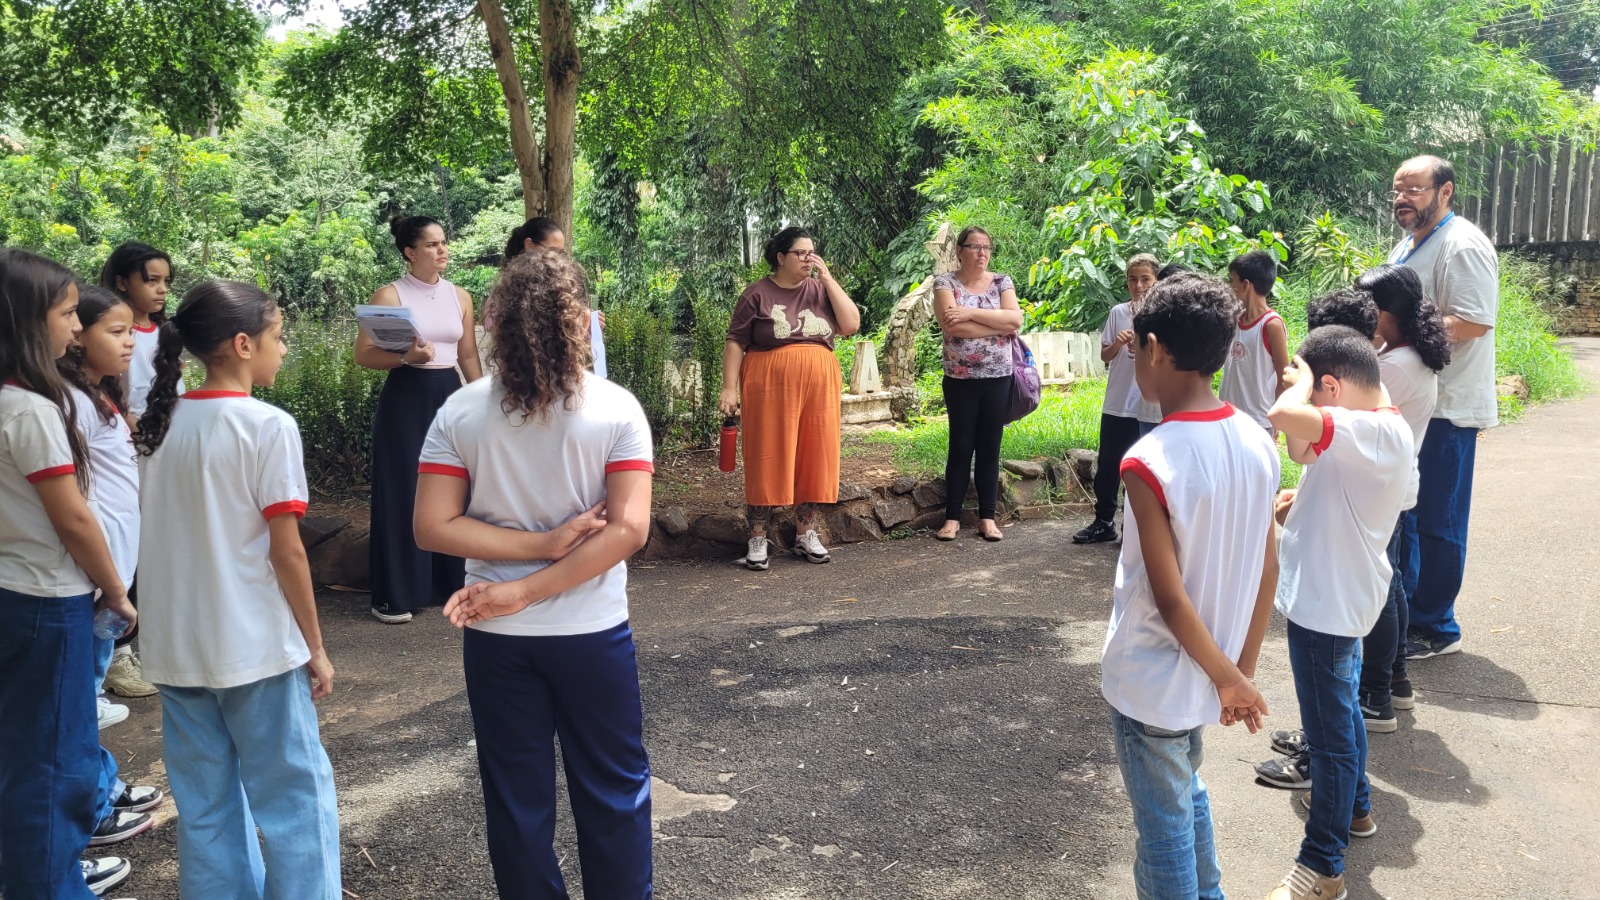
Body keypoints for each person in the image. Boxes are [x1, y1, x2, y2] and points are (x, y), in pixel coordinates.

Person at [415, 248, 655, 899]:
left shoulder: (460, 412)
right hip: (591, 633)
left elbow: (433, 526)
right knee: (613, 790)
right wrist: (545, 555)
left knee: (517, 801)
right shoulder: (616, 409)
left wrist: (520, 579)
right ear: (579, 321)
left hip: (498, 638)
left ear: (495, 320)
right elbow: (629, 529)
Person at [135, 279, 341, 899]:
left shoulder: (157, 426)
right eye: (279, 337)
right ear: (244, 344)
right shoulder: (267, 426)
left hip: (175, 646)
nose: (285, 348)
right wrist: (315, 644)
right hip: (252, 646)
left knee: (203, 805)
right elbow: (286, 551)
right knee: (295, 799)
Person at [1101, 273, 1279, 899]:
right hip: (1209, 670)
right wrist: (1237, 670)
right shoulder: (1259, 442)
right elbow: (1268, 569)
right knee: (1186, 793)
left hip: (1153, 679)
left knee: (1163, 834)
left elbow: (1170, 598)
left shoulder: (1150, 458)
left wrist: (1231, 679)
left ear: (1153, 347)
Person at [0, 248, 141, 899]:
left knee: (23, 751)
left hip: (10, 590)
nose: (73, 329)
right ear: (29, 321)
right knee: (53, 761)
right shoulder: (33, 411)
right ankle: (50, 884)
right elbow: (75, 520)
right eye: (64, 314)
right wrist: (116, 592)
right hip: (46, 598)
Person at [1262, 326, 1413, 900]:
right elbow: (1305, 448)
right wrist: (1308, 498)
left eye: (1315, 389)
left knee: (1329, 738)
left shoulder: (1371, 429)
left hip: (1329, 604)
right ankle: (1357, 809)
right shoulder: (1372, 428)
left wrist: (1295, 390)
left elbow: (1283, 417)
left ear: (1330, 384)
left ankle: (1322, 864)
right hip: (1331, 594)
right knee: (1341, 713)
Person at [57, 283, 167, 847]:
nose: (129, 344)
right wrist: (108, 584)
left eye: (131, 332)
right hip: (93, 579)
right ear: (78, 339)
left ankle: (101, 783)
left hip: (113, 569)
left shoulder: (98, 397)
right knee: (77, 700)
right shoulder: (70, 404)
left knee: (86, 694)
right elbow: (75, 506)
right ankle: (90, 809)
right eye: (115, 332)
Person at [1387, 155, 1499, 660]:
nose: (1402, 199)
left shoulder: (1463, 245)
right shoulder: (1406, 245)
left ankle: (1437, 627)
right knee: (1406, 514)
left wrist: (1405, 341)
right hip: (1412, 404)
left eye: (1413, 190)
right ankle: (1407, 616)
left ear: (1445, 192)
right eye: (1397, 190)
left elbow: (1474, 321)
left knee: (1438, 520)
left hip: (1448, 407)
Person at [356, 215, 484, 624]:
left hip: (449, 394)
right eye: (431, 245)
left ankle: (448, 583)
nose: (442, 250)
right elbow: (363, 355)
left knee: (452, 485)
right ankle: (393, 594)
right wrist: (406, 357)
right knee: (403, 488)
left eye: (444, 243)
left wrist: (481, 398)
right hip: (406, 395)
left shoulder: (460, 296)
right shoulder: (390, 296)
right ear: (410, 252)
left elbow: (467, 355)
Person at [718, 227, 861, 570]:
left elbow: (851, 324)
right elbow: (735, 340)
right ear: (780, 257)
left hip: (819, 386)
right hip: (769, 384)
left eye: (813, 253)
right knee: (767, 454)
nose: (809, 259)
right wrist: (728, 388)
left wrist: (828, 279)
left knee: (813, 455)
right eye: (801, 253)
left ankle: (805, 533)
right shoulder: (756, 293)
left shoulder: (820, 289)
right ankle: (757, 536)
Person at [97, 242, 172, 700]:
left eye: (166, 281)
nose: (161, 289)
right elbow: (111, 394)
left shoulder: (166, 332)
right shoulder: (112, 332)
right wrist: (132, 422)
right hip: (127, 451)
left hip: (163, 448)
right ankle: (117, 655)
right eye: (152, 279)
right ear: (123, 280)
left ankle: (149, 642)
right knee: (126, 548)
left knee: (155, 547)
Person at [932, 226, 1022, 542]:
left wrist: (968, 312)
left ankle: (987, 517)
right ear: (959, 251)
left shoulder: (1002, 282)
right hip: (960, 378)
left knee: (989, 447)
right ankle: (952, 518)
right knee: (960, 446)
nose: (981, 253)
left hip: (998, 376)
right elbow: (951, 327)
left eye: (986, 247)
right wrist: (995, 324)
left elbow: (1014, 321)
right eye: (974, 246)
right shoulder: (945, 283)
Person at [1074, 253, 1161, 544]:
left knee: (1141, 470)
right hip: (1117, 402)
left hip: (1148, 407)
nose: (1138, 285)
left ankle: (1134, 530)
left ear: (1156, 280)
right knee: (1109, 467)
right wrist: (1120, 344)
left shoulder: (1164, 314)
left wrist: (1146, 354)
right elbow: (1105, 355)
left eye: (1145, 279)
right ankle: (1103, 521)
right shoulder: (1118, 312)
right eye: (1132, 279)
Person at [1219, 249, 1290, 432]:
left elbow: (1284, 377)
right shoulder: (1235, 318)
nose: (1229, 286)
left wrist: (1277, 421)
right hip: (1228, 414)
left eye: (1232, 280)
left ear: (1246, 285)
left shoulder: (1271, 324)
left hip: (1257, 420)